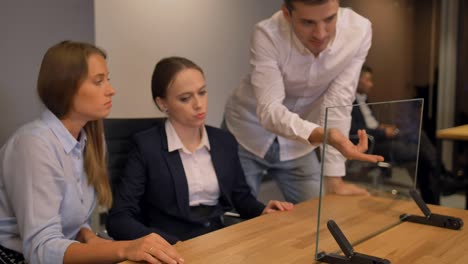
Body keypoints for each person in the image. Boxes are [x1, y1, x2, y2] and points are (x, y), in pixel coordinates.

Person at [0, 41, 183, 264]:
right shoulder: (33, 145)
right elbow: (41, 250)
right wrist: (124, 249)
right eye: (98, 81)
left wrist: (88, 236)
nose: (111, 90)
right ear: (65, 87)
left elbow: (71, 221)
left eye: (108, 79)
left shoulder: (90, 138)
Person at [106, 57, 294, 245]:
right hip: (171, 246)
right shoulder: (146, 146)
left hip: (219, 242)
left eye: (202, 92)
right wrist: (160, 242)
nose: (198, 104)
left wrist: (262, 210)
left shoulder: (223, 141)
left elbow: (240, 197)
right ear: (163, 103)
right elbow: (119, 219)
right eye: (185, 98)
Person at [224, 0, 383, 203]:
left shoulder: (358, 31)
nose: (321, 34)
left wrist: (335, 180)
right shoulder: (267, 33)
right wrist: (325, 135)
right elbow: (270, 109)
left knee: (316, 218)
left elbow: (339, 101)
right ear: (287, 15)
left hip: (299, 142)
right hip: (248, 132)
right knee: (237, 218)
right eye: (308, 22)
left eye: (329, 19)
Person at [351, 65, 466, 204]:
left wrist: (383, 127)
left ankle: (440, 177)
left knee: (420, 136)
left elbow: (370, 123)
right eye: (368, 80)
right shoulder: (349, 101)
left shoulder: (365, 100)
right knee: (421, 154)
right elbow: (354, 130)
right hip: (372, 143)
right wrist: (382, 131)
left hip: (381, 135)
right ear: (357, 79)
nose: (371, 84)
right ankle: (441, 179)